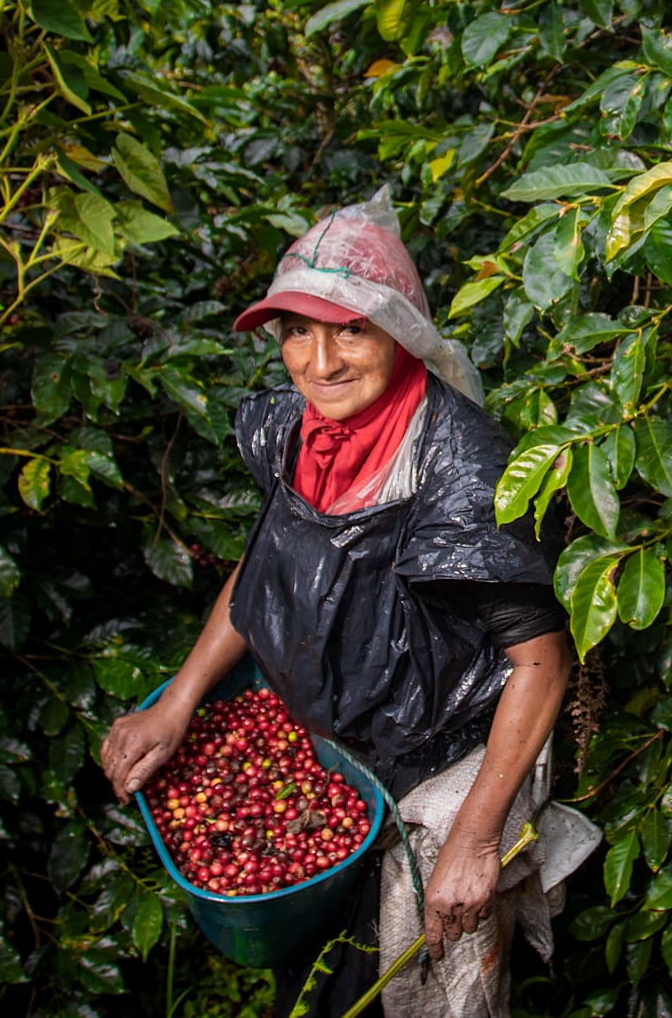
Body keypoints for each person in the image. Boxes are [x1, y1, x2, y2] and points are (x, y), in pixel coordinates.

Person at [100, 193, 588, 1017]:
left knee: (398, 983)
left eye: (350, 329)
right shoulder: (301, 430)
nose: (318, 360)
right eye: (297, 330)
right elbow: (265, 568)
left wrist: (474, 838)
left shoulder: (462, 471)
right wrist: (178, 701)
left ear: (400, 333)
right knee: (312, 969)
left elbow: (542, 662)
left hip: (420, 768)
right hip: (320, 753)